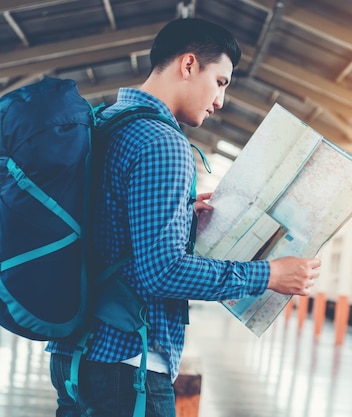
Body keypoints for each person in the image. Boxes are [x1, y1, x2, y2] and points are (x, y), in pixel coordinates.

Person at [46, 17, 320, 417]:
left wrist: (182, 214)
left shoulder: (104, 122)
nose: (220, 101)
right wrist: (270, 275)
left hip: (75, 354)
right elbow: (163, 272)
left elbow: (103, 220)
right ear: (189, 65)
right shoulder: (164, 142)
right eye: (221, 82)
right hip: (128, 367)